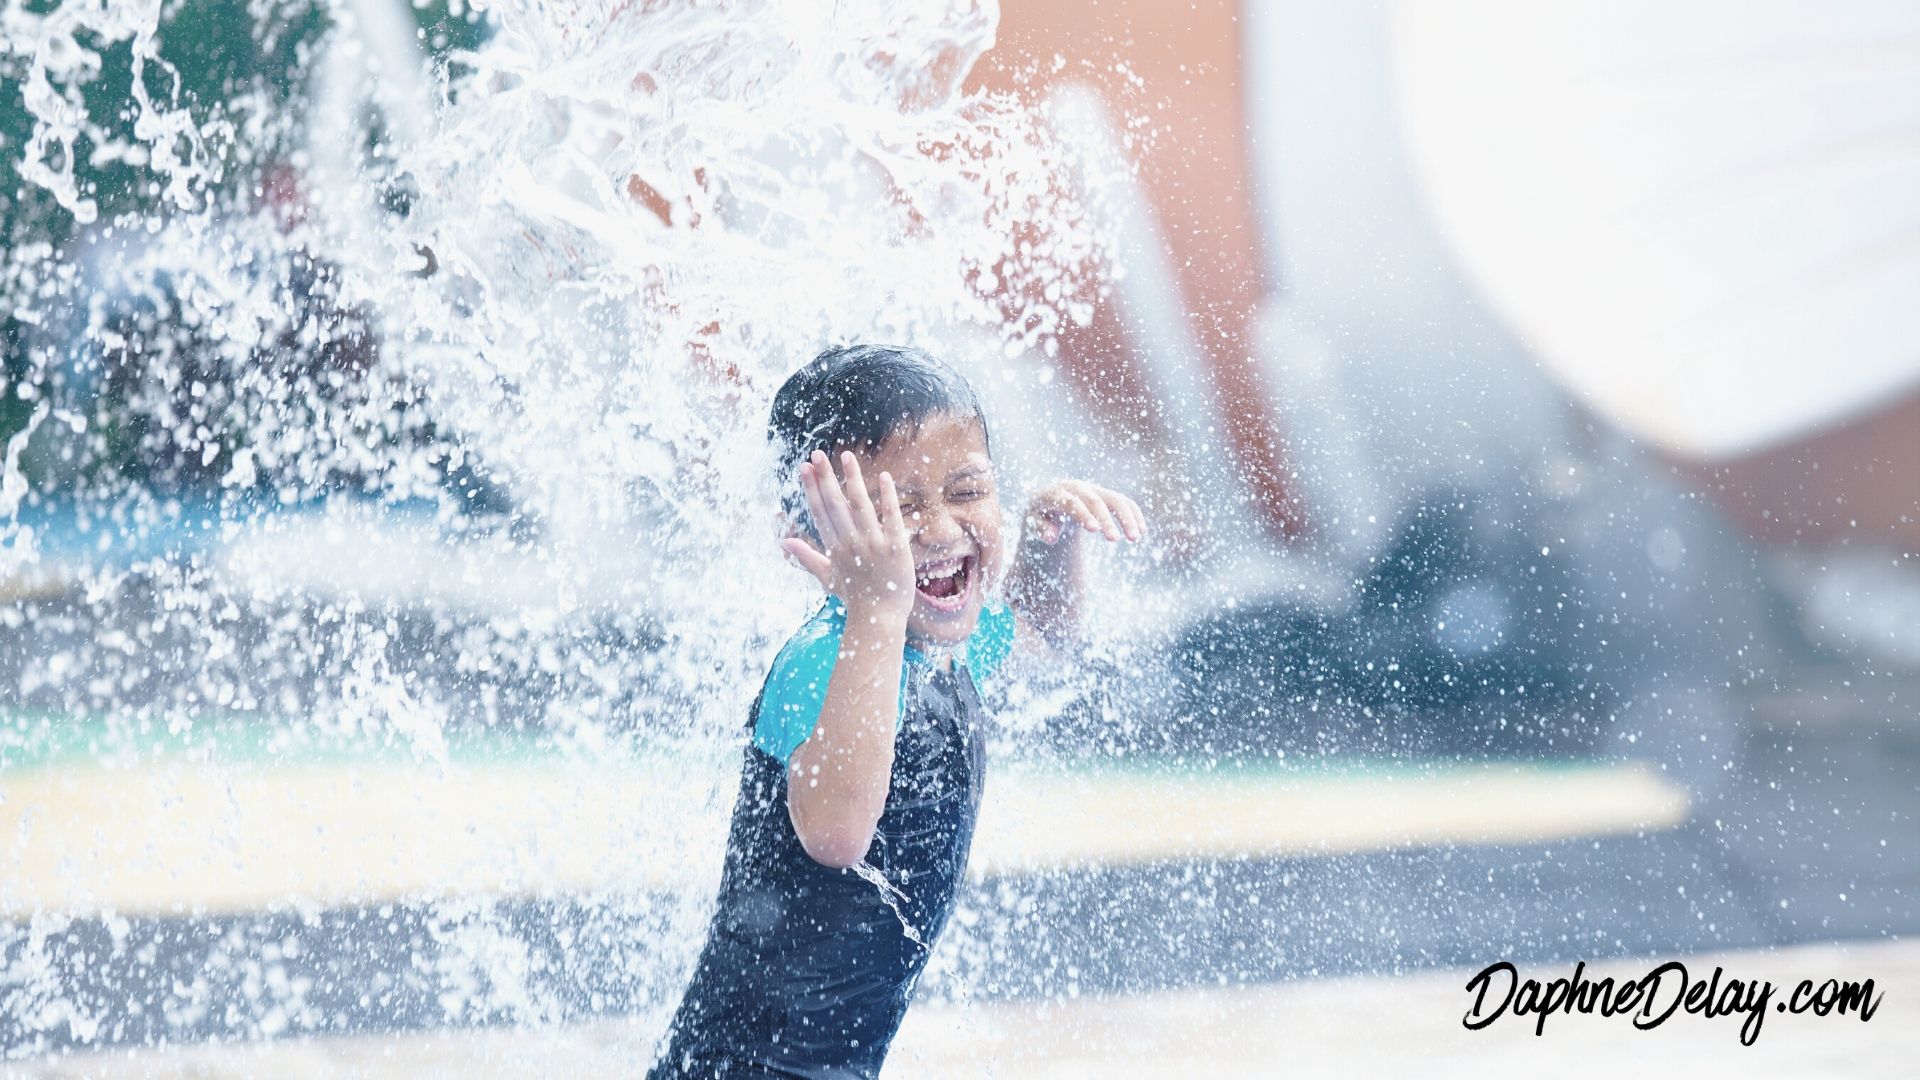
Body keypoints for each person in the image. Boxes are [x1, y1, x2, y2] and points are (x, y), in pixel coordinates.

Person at [648, 343, 1145, 1079]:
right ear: (809, 536)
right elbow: (836, 834)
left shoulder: (939, 649)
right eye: (896, 509)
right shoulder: (822, 663)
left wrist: (1052, 539)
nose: (940, 529)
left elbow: (1044, 635)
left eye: (967, 490)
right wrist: (875, 613)